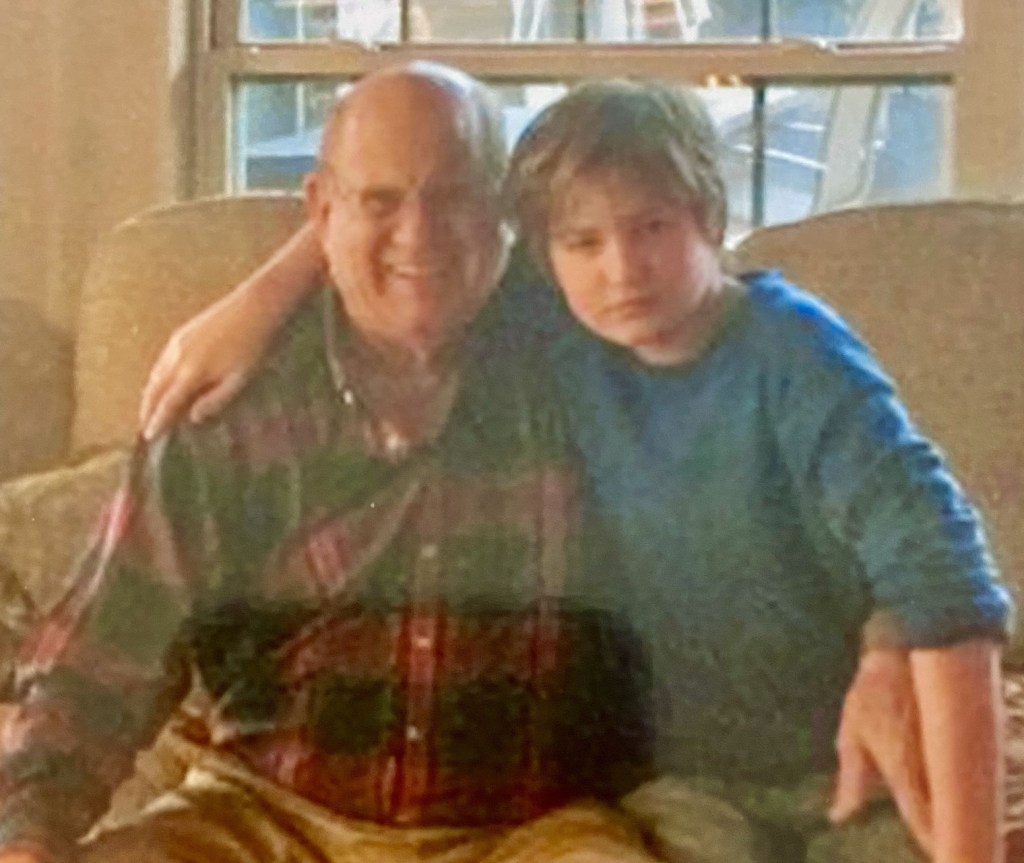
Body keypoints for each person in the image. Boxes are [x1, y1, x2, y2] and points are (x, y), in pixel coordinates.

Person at [139, 75, 1013, 863]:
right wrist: (263, 294)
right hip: (680, 781)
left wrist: (893, 648)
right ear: (548, 254)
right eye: (584, 241)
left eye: (652, 228)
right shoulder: (562, 331)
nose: (622, 268)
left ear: (710, 217)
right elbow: (417, 238)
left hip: (844, 751)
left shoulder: (794, 355)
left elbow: (942, 570)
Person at [0, 64, 663, 863]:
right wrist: (28, 837)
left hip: (527, 827)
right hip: (261, 813)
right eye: (380, 202)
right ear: (320, 210)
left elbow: (697, 286)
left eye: (453, 196)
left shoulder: (583, 357)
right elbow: (96, 660)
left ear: (504, 209)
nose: (418, 234)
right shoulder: (233, 404)